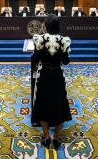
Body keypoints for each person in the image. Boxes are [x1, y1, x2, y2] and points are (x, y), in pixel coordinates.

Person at [31, 15, 72, 150]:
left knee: (42, 102)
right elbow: (66, 62)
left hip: (43, 74)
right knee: (59, 102)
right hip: (57, 74)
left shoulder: (39, 39)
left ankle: (47, 137)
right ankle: (57, 138)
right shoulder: (64, 40)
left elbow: (35, 59)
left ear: (46, 27)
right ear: (58, 26)